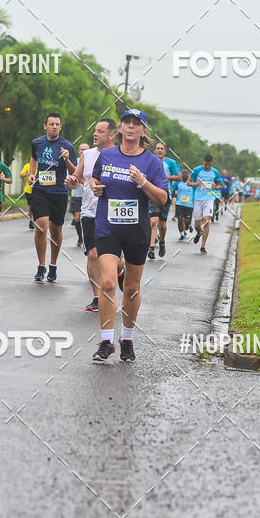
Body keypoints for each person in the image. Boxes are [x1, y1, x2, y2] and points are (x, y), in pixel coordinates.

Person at [90, 109, 167, 363]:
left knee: (131, 288)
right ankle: (105, 341)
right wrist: (94, 186)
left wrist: (143, 182)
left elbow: (163, 198)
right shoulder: (108, 155)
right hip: (107, 227)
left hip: (137, 231)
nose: (131, 127)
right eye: (127, 123)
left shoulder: (151, 162)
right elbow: (95, 178)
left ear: (144, 131)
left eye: (137, 124)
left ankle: (127, 339)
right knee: (109, 283)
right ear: (120, 129)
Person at [65, 119, 123, 312]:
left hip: (112, 212)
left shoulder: (120, 155)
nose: (95, 134)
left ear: (112, 135)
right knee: (93, 255)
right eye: (95, 130)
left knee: (115, 258)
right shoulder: (87, 154)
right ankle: (97, 297)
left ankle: (120, 271)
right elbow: (78, 178)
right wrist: (72, 180)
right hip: (89, 211)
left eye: (100, 131)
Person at [29, 112, 77, 283]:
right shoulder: (37, 142)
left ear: (60, 126)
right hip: (40, 190)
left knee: (56, 230)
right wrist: (31, 174)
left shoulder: (67, 146)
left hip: (59, 193)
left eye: (57, 124)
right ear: (45, 126)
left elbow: (74, 173)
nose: (54, 127)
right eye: (51, 124)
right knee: (41, 227)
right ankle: (41, 265)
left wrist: (67, 159)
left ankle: (53, 264)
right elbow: (34, 159)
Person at [148, 141, 181, 259]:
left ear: (165, 151)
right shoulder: (150, 161)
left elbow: (179, 177)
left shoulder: (171, 163)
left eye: (162, 148)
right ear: (154, 151)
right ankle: (151, 247)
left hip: (166, 195)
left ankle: (162, 241)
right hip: (152, 194)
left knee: (162, 225)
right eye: (157, 148)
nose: (160, 150)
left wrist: (165, 176)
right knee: (153, 222)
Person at [188, 154, 222, 254]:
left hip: (209, 199)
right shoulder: (197, 170)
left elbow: (219, 185)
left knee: (207, 220)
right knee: (197, 225)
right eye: (206, 164)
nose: (207, 166)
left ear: (212, 163)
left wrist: (215, 186)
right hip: (198, 199)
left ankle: (203, 246)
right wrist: (196, 184)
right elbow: (188, 182)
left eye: (209, 165)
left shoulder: (215, 172)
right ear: (203, 162)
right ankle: (199, 232)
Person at [69, 142, 89, 247]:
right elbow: (70, 177)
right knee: (77, 217)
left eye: (86, 149)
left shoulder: (93, 162)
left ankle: (86, 237)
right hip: (76, 195)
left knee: (86, 218)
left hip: (89, 196)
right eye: (82, 149)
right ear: (78, 151)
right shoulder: (74, 162)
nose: (83, 151)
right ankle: (80, 237)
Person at [174, 168, 195, 240]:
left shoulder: (191, 183)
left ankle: (189, 225)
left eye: (186, 173)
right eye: (183, 173)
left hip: (189, 204)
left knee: (187, 221)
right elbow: (173, 190)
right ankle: (182, 234)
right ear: (181, 174)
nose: (185, 175)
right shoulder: (178, 183)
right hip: (179, 203)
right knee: (180, 219)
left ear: (189, 174)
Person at [19, 161, 35, 229]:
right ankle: (31, 220)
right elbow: (21, 175)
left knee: (37, 205)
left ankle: (37, 220)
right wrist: (28, 174)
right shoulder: (27, 166)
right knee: (31, 206)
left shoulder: (41, 165)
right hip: (29, 190)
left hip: (39, 190)